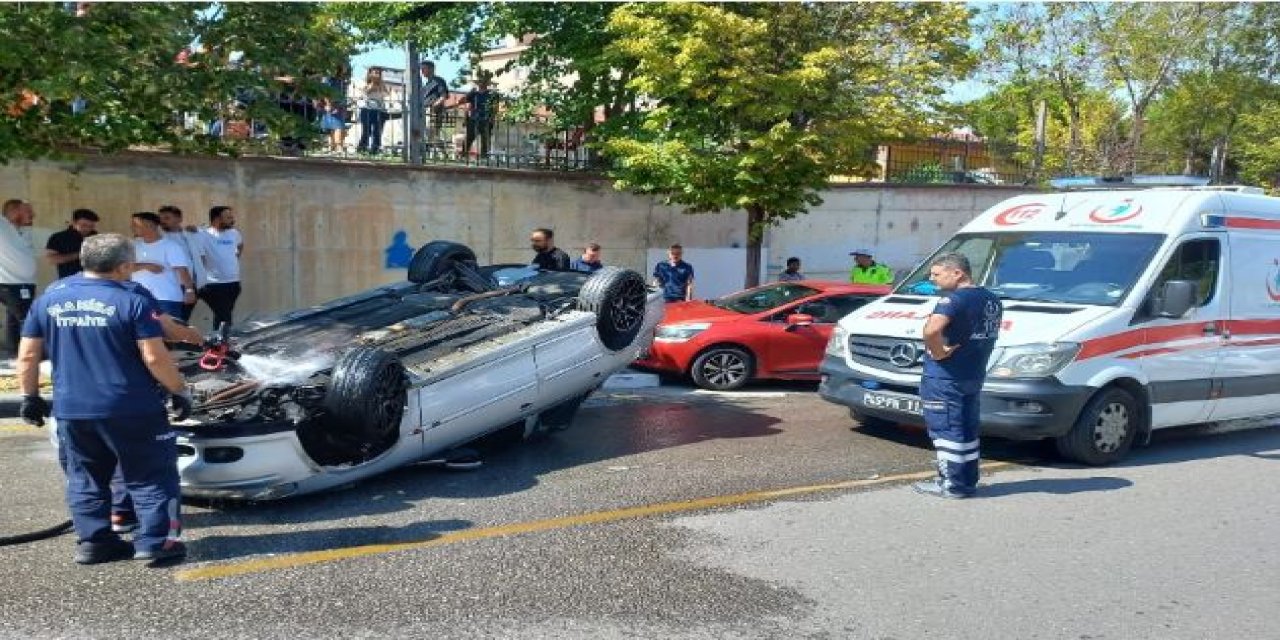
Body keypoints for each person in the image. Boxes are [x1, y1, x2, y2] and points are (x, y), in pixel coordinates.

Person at [17, 233, 191, 566]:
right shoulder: (133, 299)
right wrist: (178, 390)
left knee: (85, 479)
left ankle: (95, 544)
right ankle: (157, 543)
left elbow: (27, 355)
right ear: (124, 265)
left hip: (71, 409)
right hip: (132, 408)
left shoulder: (49, 297)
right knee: (151, 476)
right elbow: (154, 357)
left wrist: (31, 397)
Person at [913, 252, 1002, 500]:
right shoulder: (991, 298)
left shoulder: (952, 300)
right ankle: (966, 481)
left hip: (945, 376)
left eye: (936, 274)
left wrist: (938, 352)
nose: (932, 279)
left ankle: (952, 485)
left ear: (957, 273)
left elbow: (931, 330)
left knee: (946, 430)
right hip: (973, 372)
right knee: (966, 428)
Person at [130, 212, 194, 319]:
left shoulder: (171, 246)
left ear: (150, 225)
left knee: (170, 334)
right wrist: (146, 266)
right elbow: (124, 267)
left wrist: (189, 290)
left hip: (165, 299)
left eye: (135, 225)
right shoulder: (133, 246)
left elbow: (182, 270)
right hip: (139, 299)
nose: (132, 228)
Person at [158, 205, 209, 322]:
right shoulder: (162, 238)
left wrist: (201, 276)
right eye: (160, 219)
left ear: (179, 219)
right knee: (175, 320)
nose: (162, 222)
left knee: (184, 318)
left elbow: (201, 256)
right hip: (177, 286)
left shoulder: (191, 235)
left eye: (167, 218)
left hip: (196, 284)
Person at [0, 199, 37, 358]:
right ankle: (30, 356)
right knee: (26, 320)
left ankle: (13, 353)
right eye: (28, 210)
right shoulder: (2, 227)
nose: (33, 214)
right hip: (11, 284)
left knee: (13, 320)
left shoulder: (22, 231)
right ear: (14, 211)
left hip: (24, 284)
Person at [200, 205, 243, 330]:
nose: (232, 220)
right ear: (217, 219)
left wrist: (236, 256)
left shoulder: (234, 233)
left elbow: (240, 245)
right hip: (214, 284)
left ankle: (219, 342)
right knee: (224, 315)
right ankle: (222, 343)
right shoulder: (203, 234)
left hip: (233, 283)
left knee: (223, 315)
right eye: (228, 217)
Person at [45, 208, 100, 279]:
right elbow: (51, 259)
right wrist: (80, 254)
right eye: (84, 225)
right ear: (74, 222)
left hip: (94, 281)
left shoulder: (97, 237)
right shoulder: (59, 237)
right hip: (70, 282)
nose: (87, 229)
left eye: (91, 226)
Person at [356, 68, 391, 156]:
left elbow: (386, 94)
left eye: (378, 73)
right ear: (370, 74)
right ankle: (362, 147)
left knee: (377, 130)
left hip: (379, 110)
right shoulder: (364, 83)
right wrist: (372, 85)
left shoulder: (382, 85)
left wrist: (380, 85)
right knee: (366, 130)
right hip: (367, 109)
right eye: (375, 73)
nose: (377, 75)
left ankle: (375, 148)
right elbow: (363, 93)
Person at [461, 76, 496, 159]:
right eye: (480, 82)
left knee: (485, 139)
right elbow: (463, 101)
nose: (481, 84)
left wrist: (492, 119)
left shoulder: (491, 95)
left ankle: (484, 157)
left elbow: (494, 108)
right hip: (474, 118)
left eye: (483, 82)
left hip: (486, 119)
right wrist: (470, 93)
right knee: (469, 138)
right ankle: (464, 155)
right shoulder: (473, 94)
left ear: (487, 84)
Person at [420, 60, 450, 144]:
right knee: (427, 134)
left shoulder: (438, 81)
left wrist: (433, 107)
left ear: (431, 69)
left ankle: (436, 152)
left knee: (432, 133)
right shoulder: (426, 83)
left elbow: (443, 96)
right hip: (424, 110)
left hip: (433, 111)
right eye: (421, 69)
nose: (422, 71)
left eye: (424, 68)